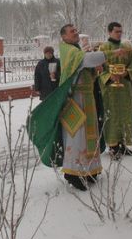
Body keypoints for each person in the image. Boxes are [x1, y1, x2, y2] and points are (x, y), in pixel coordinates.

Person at [28, 24, 106, 191]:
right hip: (75, 100)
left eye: (76, 30)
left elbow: (88, 67)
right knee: (77, 138)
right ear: (64, 37)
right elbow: (88, 60)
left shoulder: (76, 50)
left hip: (88, 98)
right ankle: (73, 174)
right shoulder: (68, 50)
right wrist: (109, 52)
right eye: (72, 32)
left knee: (89, 137)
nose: (76, 33)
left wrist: (96, 68)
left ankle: (89, 170)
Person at [98, 22, 132, 158]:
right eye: (116, 31)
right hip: (110, 90)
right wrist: (110, 76)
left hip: (125, 88)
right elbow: (98, 69)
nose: (119, 34)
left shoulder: (127, 47)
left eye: (121, 31)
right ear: (109, 32)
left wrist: (126, 73)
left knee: (125, 115)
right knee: (112, 116)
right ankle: (113, 146)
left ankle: (123, 144)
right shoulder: (103, 48)